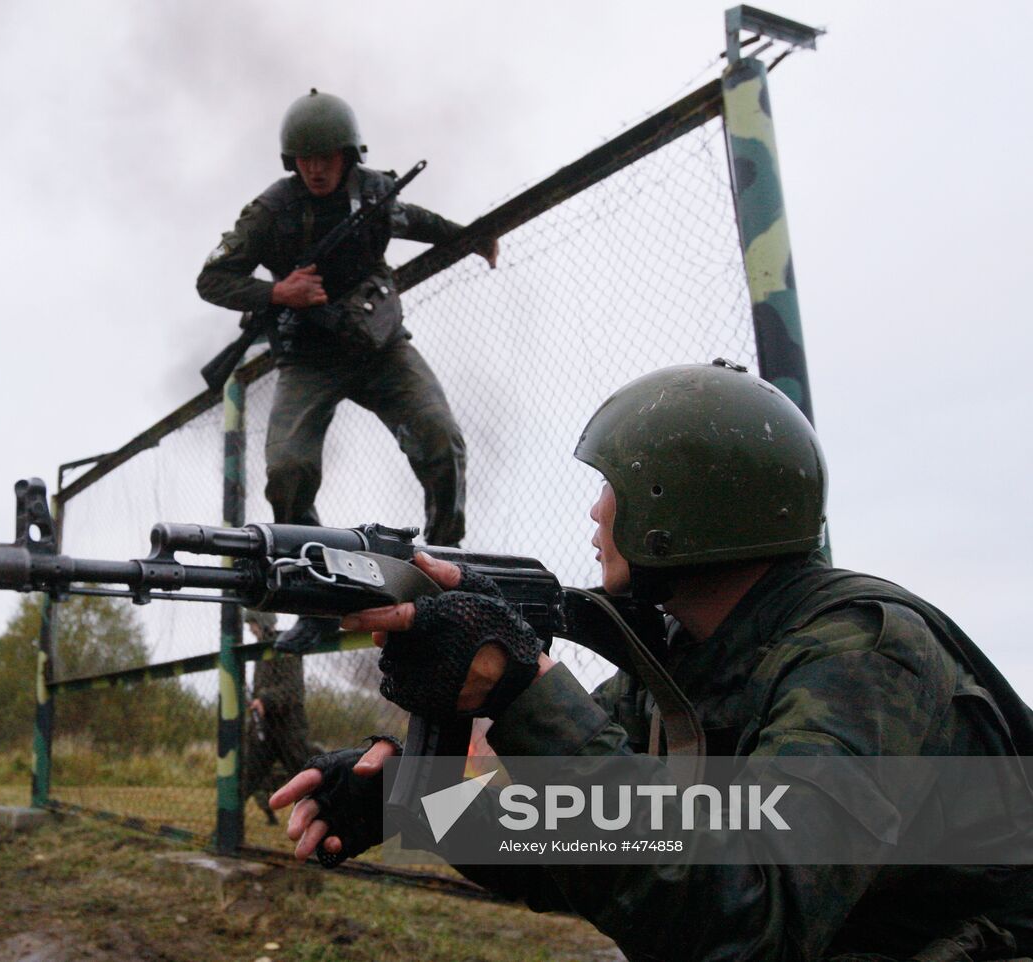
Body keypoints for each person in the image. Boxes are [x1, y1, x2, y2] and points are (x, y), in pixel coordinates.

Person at [272, 360, 1033, 961]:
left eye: (614, 487)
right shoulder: (688, 667)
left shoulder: (863, 656)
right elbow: (586, 840)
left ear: (680, 506)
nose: (597, 512)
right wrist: (413, 800)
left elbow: (745, 916)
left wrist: (524, 690)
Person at [197, 88, 497, 654]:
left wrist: (472, 236)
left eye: (326, 157)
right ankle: (316, 598)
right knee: (287, 469)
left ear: (348, 155)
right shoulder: (271, 212)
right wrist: (279, 290)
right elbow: (212, 278)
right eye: (305, 158)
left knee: (440, 437)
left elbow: (418, 219)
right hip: (308, 357)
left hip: (379, 347)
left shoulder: (376, 193)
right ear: (291, 161)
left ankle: (445, 569)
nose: (316, 168)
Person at [240, 609, 316, 825]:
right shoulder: (261, 649)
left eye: (252, 623)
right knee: (248, 775)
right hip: (265, 727)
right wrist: (257, 702)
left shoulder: (287, 644)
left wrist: (264, 700)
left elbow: (292, 689)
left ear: (262, 622)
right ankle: (228, 827)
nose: (250, 628)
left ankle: (322, 822)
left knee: (304, 777)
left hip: (289, 725)